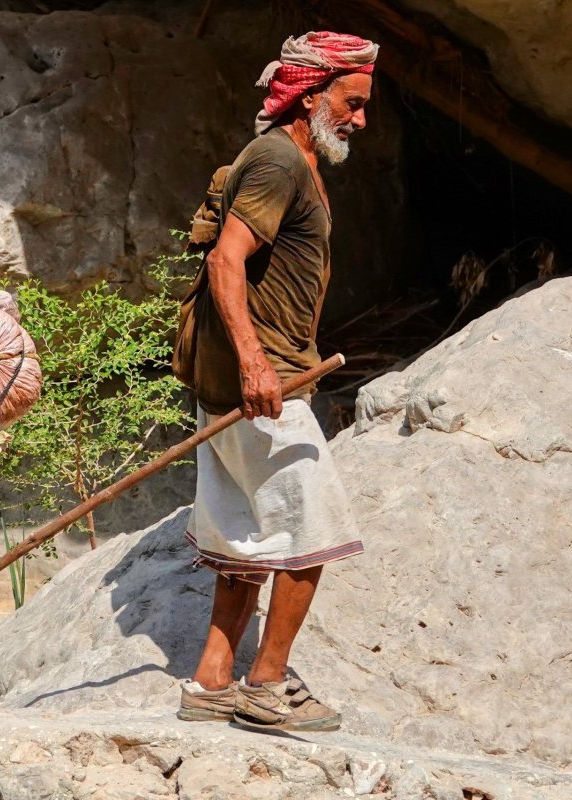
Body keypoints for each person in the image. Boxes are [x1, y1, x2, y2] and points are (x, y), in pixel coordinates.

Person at [171, 31, 377, 732]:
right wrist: (256, 363)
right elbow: (226, 261)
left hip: (240, 380)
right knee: (312, 529)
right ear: (310, 95)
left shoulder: (293, 159)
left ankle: (211, 682)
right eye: (351, 103)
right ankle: (267, 685)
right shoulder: (278, 161)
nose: (359, 120)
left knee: (243, 534)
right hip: (264, 383)